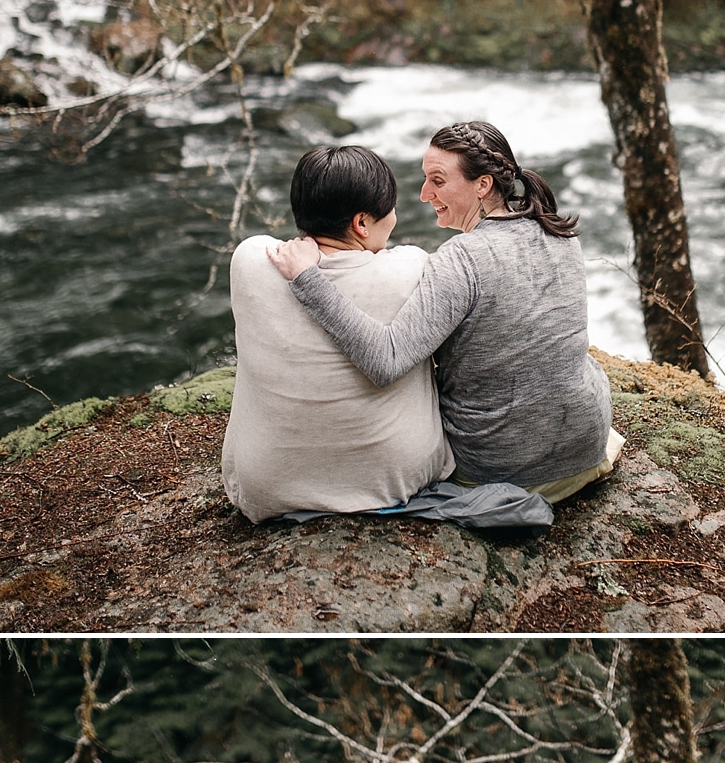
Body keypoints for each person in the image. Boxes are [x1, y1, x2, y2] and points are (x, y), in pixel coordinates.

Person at [268, 122, 621, 502]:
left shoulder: (460, 259)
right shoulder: (559, 233)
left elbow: (386, 361)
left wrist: (308, 279)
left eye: (437, 180)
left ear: (482, 185)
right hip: (587, 447)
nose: (423, 195)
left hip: (502, 472)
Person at [220, 145, 454, 523]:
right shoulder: (411, 268)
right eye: (390, 209)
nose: (394, 217)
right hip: (395, 478)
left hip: (266, 486)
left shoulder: (250, 260)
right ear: (362, 224)